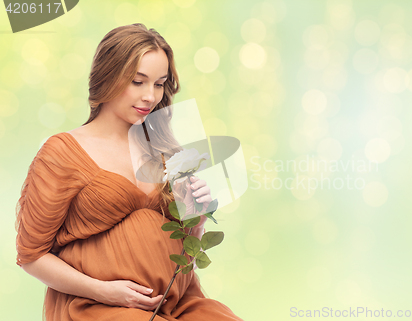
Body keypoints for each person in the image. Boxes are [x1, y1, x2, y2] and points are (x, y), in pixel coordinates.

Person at [15, 23, 242, 321]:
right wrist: (102, 291)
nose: (150, 96)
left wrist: (197, 215)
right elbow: (31, 257)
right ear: (107, 76)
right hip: (95, 306)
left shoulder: (166, 151)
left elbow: (189, 257)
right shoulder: (62, 153)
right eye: (138, 81)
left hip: (179, 302)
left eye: (159, 84)